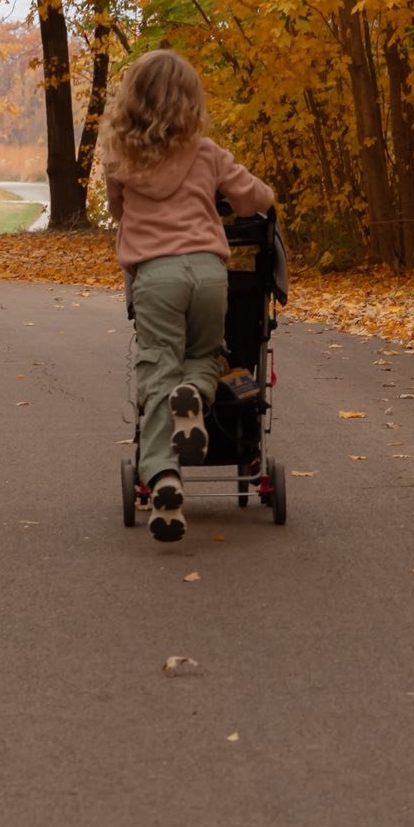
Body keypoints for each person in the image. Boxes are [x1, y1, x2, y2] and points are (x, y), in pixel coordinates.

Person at [101, 49, 275, 544]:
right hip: (208, 272)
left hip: (156, 277)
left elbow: (118, 211)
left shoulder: (120, 158)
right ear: (190, 103)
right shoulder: (207, 153)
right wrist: (263, 195)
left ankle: (163, 477)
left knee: (158, 365)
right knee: (207, 353)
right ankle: (195, 396)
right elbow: (250, 199)